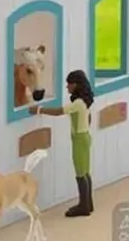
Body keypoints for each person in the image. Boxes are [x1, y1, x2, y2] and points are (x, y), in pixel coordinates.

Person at [31, 69, 95, 217]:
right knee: (85, 171)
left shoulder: (78, 103)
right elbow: (89, 118)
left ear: (76, 85)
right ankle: (88, 203)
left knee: (80, 173)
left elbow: (59, 112)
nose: (67, 87)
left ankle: (83, 206)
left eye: (69, 84)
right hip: (85, 136)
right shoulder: (85, 102)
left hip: (79, 139)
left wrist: (39, 109)